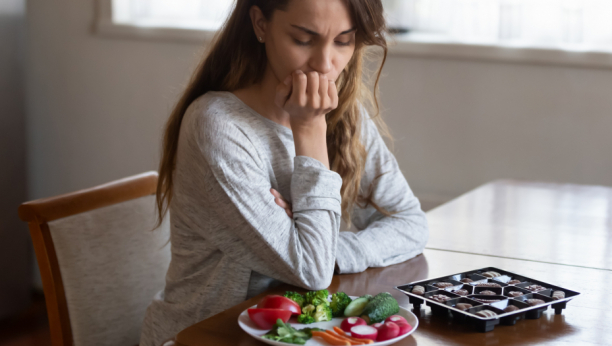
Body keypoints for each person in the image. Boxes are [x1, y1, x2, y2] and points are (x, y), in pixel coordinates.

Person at [140, 0, 428, 345]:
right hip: (206, 336)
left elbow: (410, 222)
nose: (325, 65)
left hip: (297, 336)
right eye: (304, 40)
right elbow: (311, 272)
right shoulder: (217, 127)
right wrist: (308, 129)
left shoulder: (347, 116)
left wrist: (325, 247)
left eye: (343, 41)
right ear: (261, 24)